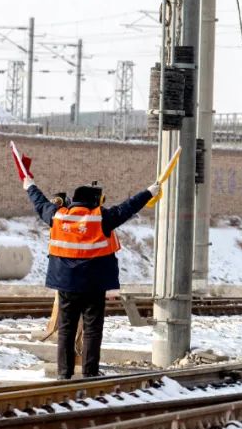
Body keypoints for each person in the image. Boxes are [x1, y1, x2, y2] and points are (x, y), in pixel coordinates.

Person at [16, 154, 159, 379]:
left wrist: (29, 184)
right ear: (94, 201)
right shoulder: (100, 218)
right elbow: (128, 208)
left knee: (66, 329)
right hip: (94, 284)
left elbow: (40, 202)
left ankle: (64, 374)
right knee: (93, 330)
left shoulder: (58, 216)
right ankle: (90, 374)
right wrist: (149, 191)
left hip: (65, 284)